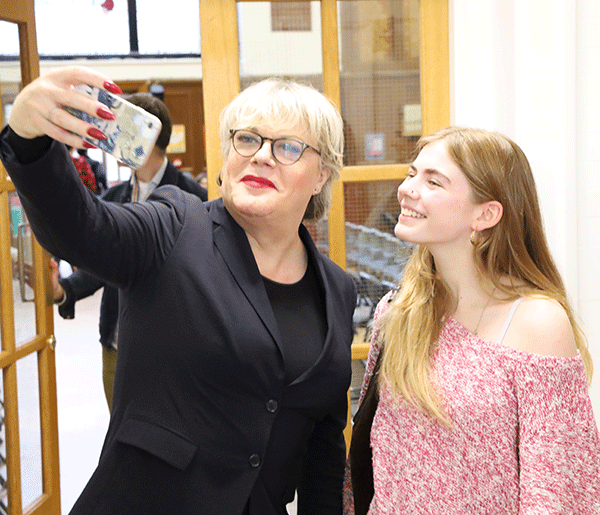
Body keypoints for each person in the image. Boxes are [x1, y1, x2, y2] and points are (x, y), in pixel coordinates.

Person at [0, 66, 355, 515]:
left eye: (287, 147)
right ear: (227, 157)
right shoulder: (175, 225)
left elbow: (322, 446)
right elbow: (82, 229)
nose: (261, 156)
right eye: (247, 139)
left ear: (321, 176)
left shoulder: (336, 289)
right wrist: (30, 138)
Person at [344, 126, 600, 514]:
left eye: (434, 181)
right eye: (412, 174)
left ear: (486, 214)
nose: (407, 188)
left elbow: (557, 492)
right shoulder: (397, 312)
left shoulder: (538, 322)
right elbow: (370, 455)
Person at [50, 92, 208, 409]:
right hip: (117, 344)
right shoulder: (114, 197)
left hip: (179, 350)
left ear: (146, 134)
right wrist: (61, 290)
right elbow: (102, 264)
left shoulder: (197, 201)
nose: (113, 138)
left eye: (121, 129)